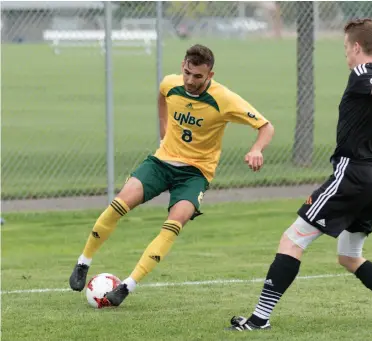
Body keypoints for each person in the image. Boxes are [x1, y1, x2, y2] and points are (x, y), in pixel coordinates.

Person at [228, 18, 372, 331]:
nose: (346, 56)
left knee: (293, 239)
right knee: (350, 256)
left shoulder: (364, 73)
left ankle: (258, 320)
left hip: (351, 174)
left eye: (345, 49)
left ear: (356, 47)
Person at [68, 44, 275, 307]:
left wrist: (257, 149)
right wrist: (163, 129)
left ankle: (126, 287)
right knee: (118, 204)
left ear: (210, 75)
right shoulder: (171, 84)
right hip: (162, 162)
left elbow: (266, 126)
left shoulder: (225, 99)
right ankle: (83, 263)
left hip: (195, 174)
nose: (190, 80)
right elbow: (161, 96)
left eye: (198, 76)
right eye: (187, 73)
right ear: (182, 67)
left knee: (175, 222)